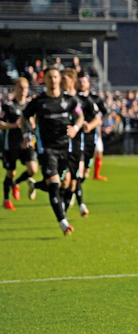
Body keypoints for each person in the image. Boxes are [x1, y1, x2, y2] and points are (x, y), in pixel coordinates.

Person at [22, 68, 84, 236]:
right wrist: (28, 133)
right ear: (45, 80)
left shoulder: (69, 100)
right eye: (49, 77)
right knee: (54, 184)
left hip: (66, 147)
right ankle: (63, 222)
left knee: (65, 183)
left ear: (59, 79)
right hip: (46, 149)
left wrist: (76, 128)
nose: (53, 80)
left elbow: (80, 116)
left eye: (55, 76)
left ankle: (35, 185)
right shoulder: (39, 101)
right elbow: (25, 116)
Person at [1, 78, 39, 210]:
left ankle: (16, 183)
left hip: (27, 142)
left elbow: (33, 120)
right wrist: (12, 125)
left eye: (25, 87)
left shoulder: (30, 104)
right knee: (10, 172)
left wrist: (33, 124)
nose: (23, 90)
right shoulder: (9, 105)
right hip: (11, 144)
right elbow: (0, 123)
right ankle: (6, 200)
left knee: (33, 169)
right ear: (15, 88)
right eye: (20, 87)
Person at [75, 72, 106, 216]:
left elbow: (102, 114)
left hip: (91, 138)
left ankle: (73, 189)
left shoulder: (94, 99)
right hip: (76, 138)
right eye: (79, 81)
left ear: (88, 83)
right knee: (78, 170)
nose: (82, 84)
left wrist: (93, 125)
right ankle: (79, 202)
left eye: (84, 81)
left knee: (86, 173)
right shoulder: (73, 98)